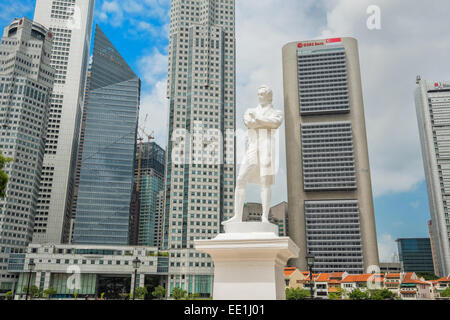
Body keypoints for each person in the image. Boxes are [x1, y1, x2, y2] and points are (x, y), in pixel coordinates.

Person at [223, 85, 283, 225]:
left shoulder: (276, 112)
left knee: (265, 182)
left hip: (267, 147)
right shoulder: (250, 111)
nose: (260, 96)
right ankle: (237, 216)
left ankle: (264, 217)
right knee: (240, 178)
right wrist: (262, 121)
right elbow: (248, 123)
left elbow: (275, 123)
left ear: (269, 96)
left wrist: (257, 119)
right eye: (259, 94)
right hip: (252, 147)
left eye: (262, 94)